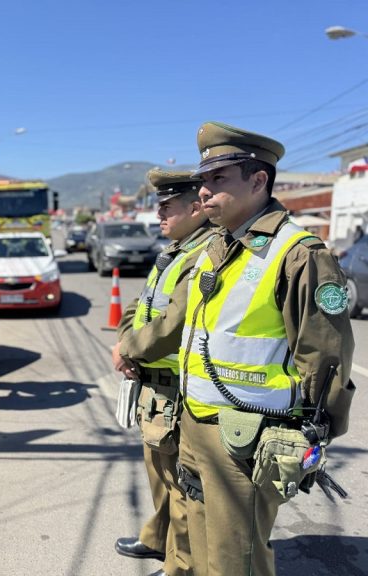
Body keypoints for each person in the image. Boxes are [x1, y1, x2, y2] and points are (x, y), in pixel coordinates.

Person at [177, 122, 355, 576]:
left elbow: (326, 355)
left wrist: (315, 433)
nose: (203, 192)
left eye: (218, 179)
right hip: (196, 422)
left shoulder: (299, 253)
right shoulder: (216, 246)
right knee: (201, 551)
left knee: (238, 562)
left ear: (258, 181)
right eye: (202, 180)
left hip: (247, 436)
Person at [112, 169, 215, 576]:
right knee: (158, 474)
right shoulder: (173, 249)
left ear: (194, 208)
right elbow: (140, 305)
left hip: (177, 387)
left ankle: (179, 566)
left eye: (167, 207)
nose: (158, 214)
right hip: (152, 382)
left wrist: (128, 349)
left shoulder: (203, 252)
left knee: (179, 484)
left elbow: (175, 323)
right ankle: (158, 540)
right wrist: (126, 342)